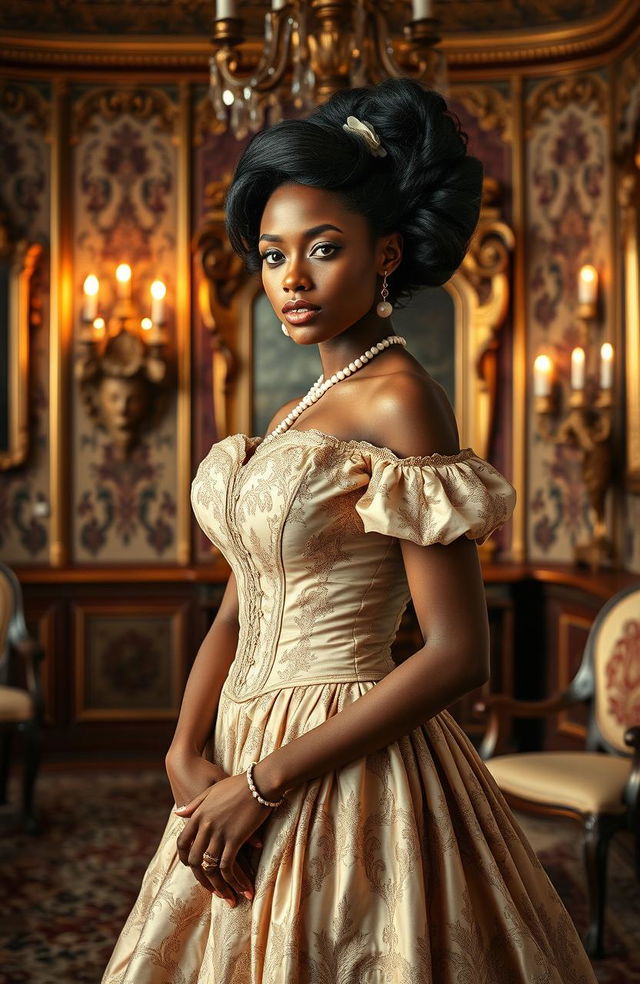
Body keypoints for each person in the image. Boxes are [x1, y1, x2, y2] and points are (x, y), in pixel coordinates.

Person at [103, 78, 598, 983]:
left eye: (322, 249)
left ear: (386, 254)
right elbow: (235, 614)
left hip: (341, 756)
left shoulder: (403, 397)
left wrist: (264, 783)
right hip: (239, 746)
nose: (291, 279)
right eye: (271, 255)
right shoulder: (297, 411)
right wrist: (183, 749)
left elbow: (457, 655)